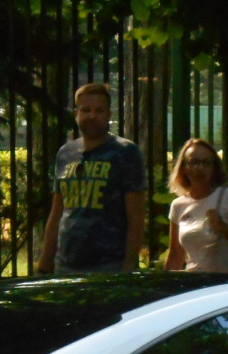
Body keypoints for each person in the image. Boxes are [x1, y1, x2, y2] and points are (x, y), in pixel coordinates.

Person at [36, 83, 147, 274]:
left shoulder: (125, 152)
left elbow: (136, 216)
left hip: (108, 264)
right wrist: (45, 262)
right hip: (66, 263)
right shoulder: (66, 153)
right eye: (86, 110)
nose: (92, 116)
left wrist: (129, 264)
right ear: (76, 113)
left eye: (99, 110)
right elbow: (57, 212)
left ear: (108, 115)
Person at [164, 138, 228, 273]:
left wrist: (224, 228)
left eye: (206, 163)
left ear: (214, 168)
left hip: (227, 283)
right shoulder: (178, 205)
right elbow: (176, 255)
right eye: (194, 162)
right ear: (184, 168)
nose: (200, 168)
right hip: (194, 283)